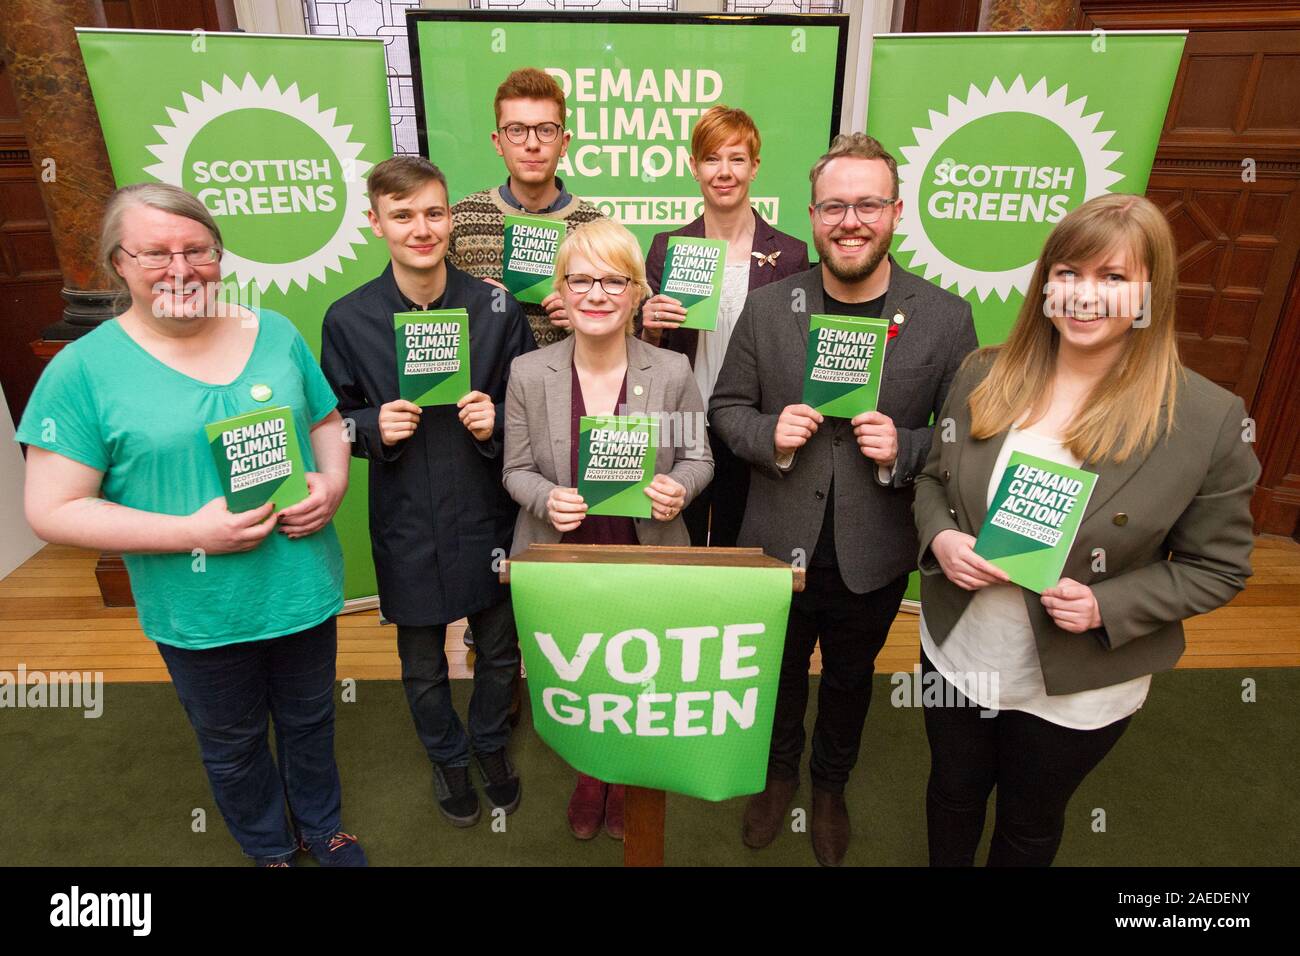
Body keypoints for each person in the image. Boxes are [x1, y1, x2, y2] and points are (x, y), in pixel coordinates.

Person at [16, 183, 364, 866]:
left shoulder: (276, 333)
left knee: (311, 721)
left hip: (301, 584)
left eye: (196, 250)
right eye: (155, 254)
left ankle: (323, 828)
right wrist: (190, 534)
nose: (180, 269)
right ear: (119, 262)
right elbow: (50, 510)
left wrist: (334, 482)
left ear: (219, 254)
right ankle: (270, 848)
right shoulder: (82, 371)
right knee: (232, 745)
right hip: (199, 607)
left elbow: (325, 421)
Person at [912, 193, 1260, 867]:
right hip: (960, 650)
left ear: (1151, 291)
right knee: (952, 795)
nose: (1083, 295)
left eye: (1113, 277)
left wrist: (1109, 604)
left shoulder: (1205, 419)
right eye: (1068, 273)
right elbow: (931, 481)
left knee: (1029, 824)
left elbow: (1218, 567)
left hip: (1080, 680)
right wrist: (941, 539)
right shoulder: (984, 372)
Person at [709, 133, 979, 866]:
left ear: (896, 212)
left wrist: (909, 447)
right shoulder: (769, 310)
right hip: (775, 540)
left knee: (853, 678)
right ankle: (776, 775)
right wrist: (773, 433)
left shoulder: (946, 317)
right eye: (834, 206)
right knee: (779, 672)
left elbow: (965, 438)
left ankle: (830, 786)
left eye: (867, 204)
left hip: (875, 546)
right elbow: (726, 409)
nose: (849, 220)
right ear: (812, 213)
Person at [319, 156, 535, 828]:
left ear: (451, 218)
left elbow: (528, 406)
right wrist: (366, 425)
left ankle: (491, 743)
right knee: (420, 659)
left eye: (433, 213)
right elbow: (328, 421)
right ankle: (445, 753)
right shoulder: (348, 318)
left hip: (486, 511)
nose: (421, 228)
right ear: (376, 222)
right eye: (404, 215)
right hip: (407, 515)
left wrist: (497, 417)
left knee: (500, 647)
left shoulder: (496, 307)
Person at [502, 219, 713, 840]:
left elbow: (699, 458)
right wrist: (547, 498)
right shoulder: (527, 373)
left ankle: (628, 775)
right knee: (577, 672)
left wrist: (680, 488)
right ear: (561, 292)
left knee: (638, 671)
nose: (596, 294)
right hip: (562, 553)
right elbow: (513, 469)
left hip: (644, 552)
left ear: (637, 292)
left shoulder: (671, 372)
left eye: (613, 280)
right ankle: (591, 771)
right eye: (581, 280)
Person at [640, 105, 809, 546]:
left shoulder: (790, 255)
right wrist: (649, 326)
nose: (724, 172)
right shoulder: (667, 247)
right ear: (693, 166)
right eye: (712, 159)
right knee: (681, 539)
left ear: (754, 166)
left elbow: (793, 349)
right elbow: (648, 354)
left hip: (752, 422)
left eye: (736, 159)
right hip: (684, 422)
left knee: (743, 542)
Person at [447, 67, 605, 349]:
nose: (532, 144)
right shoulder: (459, 222)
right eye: (517, 130)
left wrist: (588, 321)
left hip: (569, 389)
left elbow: (626, 336)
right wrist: (478, 307)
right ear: (498, 142)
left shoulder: (598, 230)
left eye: (545, 130)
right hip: (484, 392)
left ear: (564, 142)